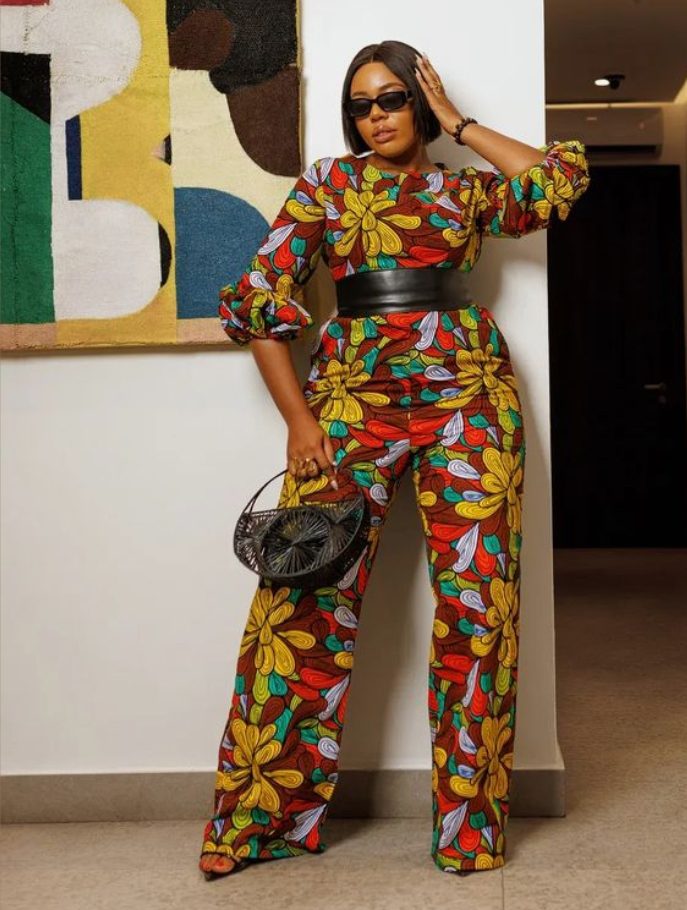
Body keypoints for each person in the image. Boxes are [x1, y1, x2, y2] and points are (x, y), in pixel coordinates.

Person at [199, 39, 591, 880]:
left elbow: (557, 180)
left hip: (469, 396)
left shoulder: (465, 190)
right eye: (360, 105)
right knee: (300, 605)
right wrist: (300, 422)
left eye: (391, 99)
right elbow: (259, 299)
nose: (375, 116)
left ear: (418, 102)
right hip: (349, 400)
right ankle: (260, 824)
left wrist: (460, 122)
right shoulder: (327, 186)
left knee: (479, 610)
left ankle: (468, 832)